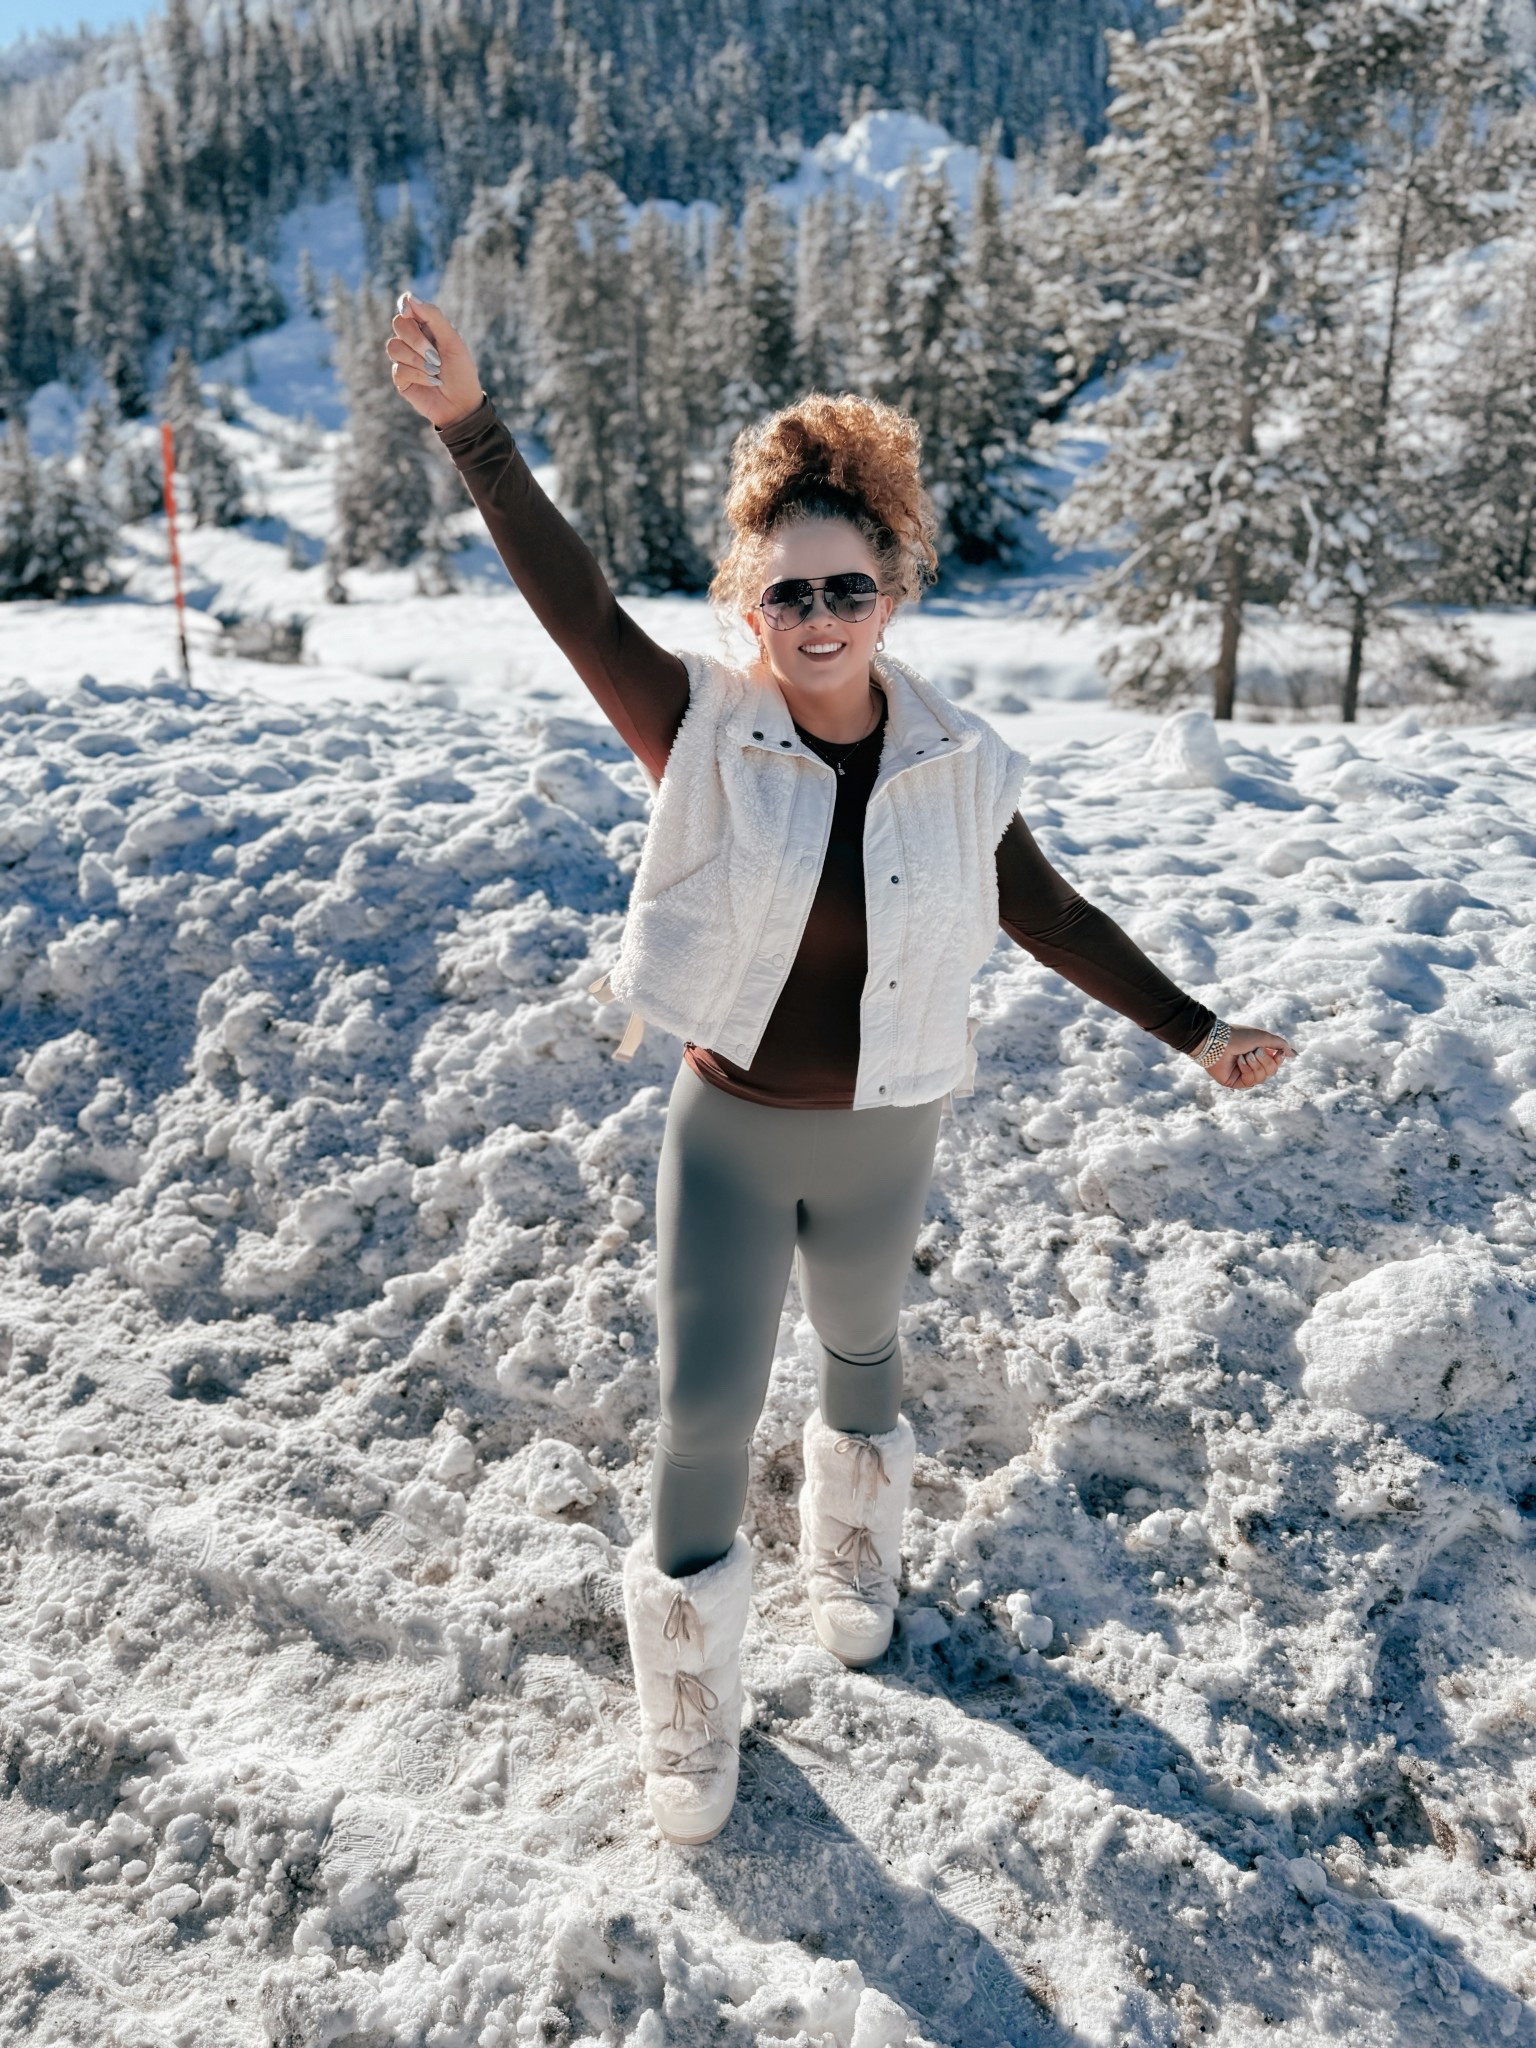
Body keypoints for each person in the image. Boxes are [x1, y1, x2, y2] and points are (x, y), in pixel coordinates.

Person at [385, 290, 1295, 1846]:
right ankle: (687, 1697)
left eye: (849, 587)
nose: (819, 615)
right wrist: (473, 430)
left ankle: (851, 1555)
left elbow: (1049, 910)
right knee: (702, 1411)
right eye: (789, 589)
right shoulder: (703, 730)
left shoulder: (958, 765)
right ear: (751, 598)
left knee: (865, 1361)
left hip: (890, 1128)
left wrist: (1197, 1032)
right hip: (732, 1129)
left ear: (893, 591)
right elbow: (582, 609)